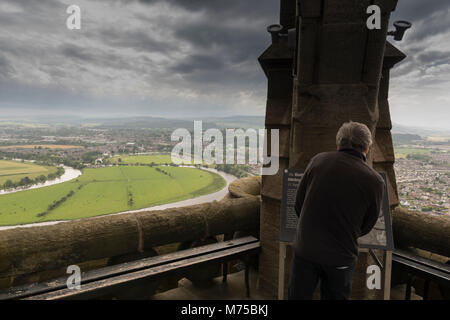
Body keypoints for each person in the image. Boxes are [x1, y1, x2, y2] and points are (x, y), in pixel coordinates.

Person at [288, 121, 385, 300]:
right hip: (341, 254)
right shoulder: (374, 181)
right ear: (366, 148)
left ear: (339, 143)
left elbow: (299, 204)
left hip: (306, 249)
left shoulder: (318, 161)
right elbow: (368, 224)